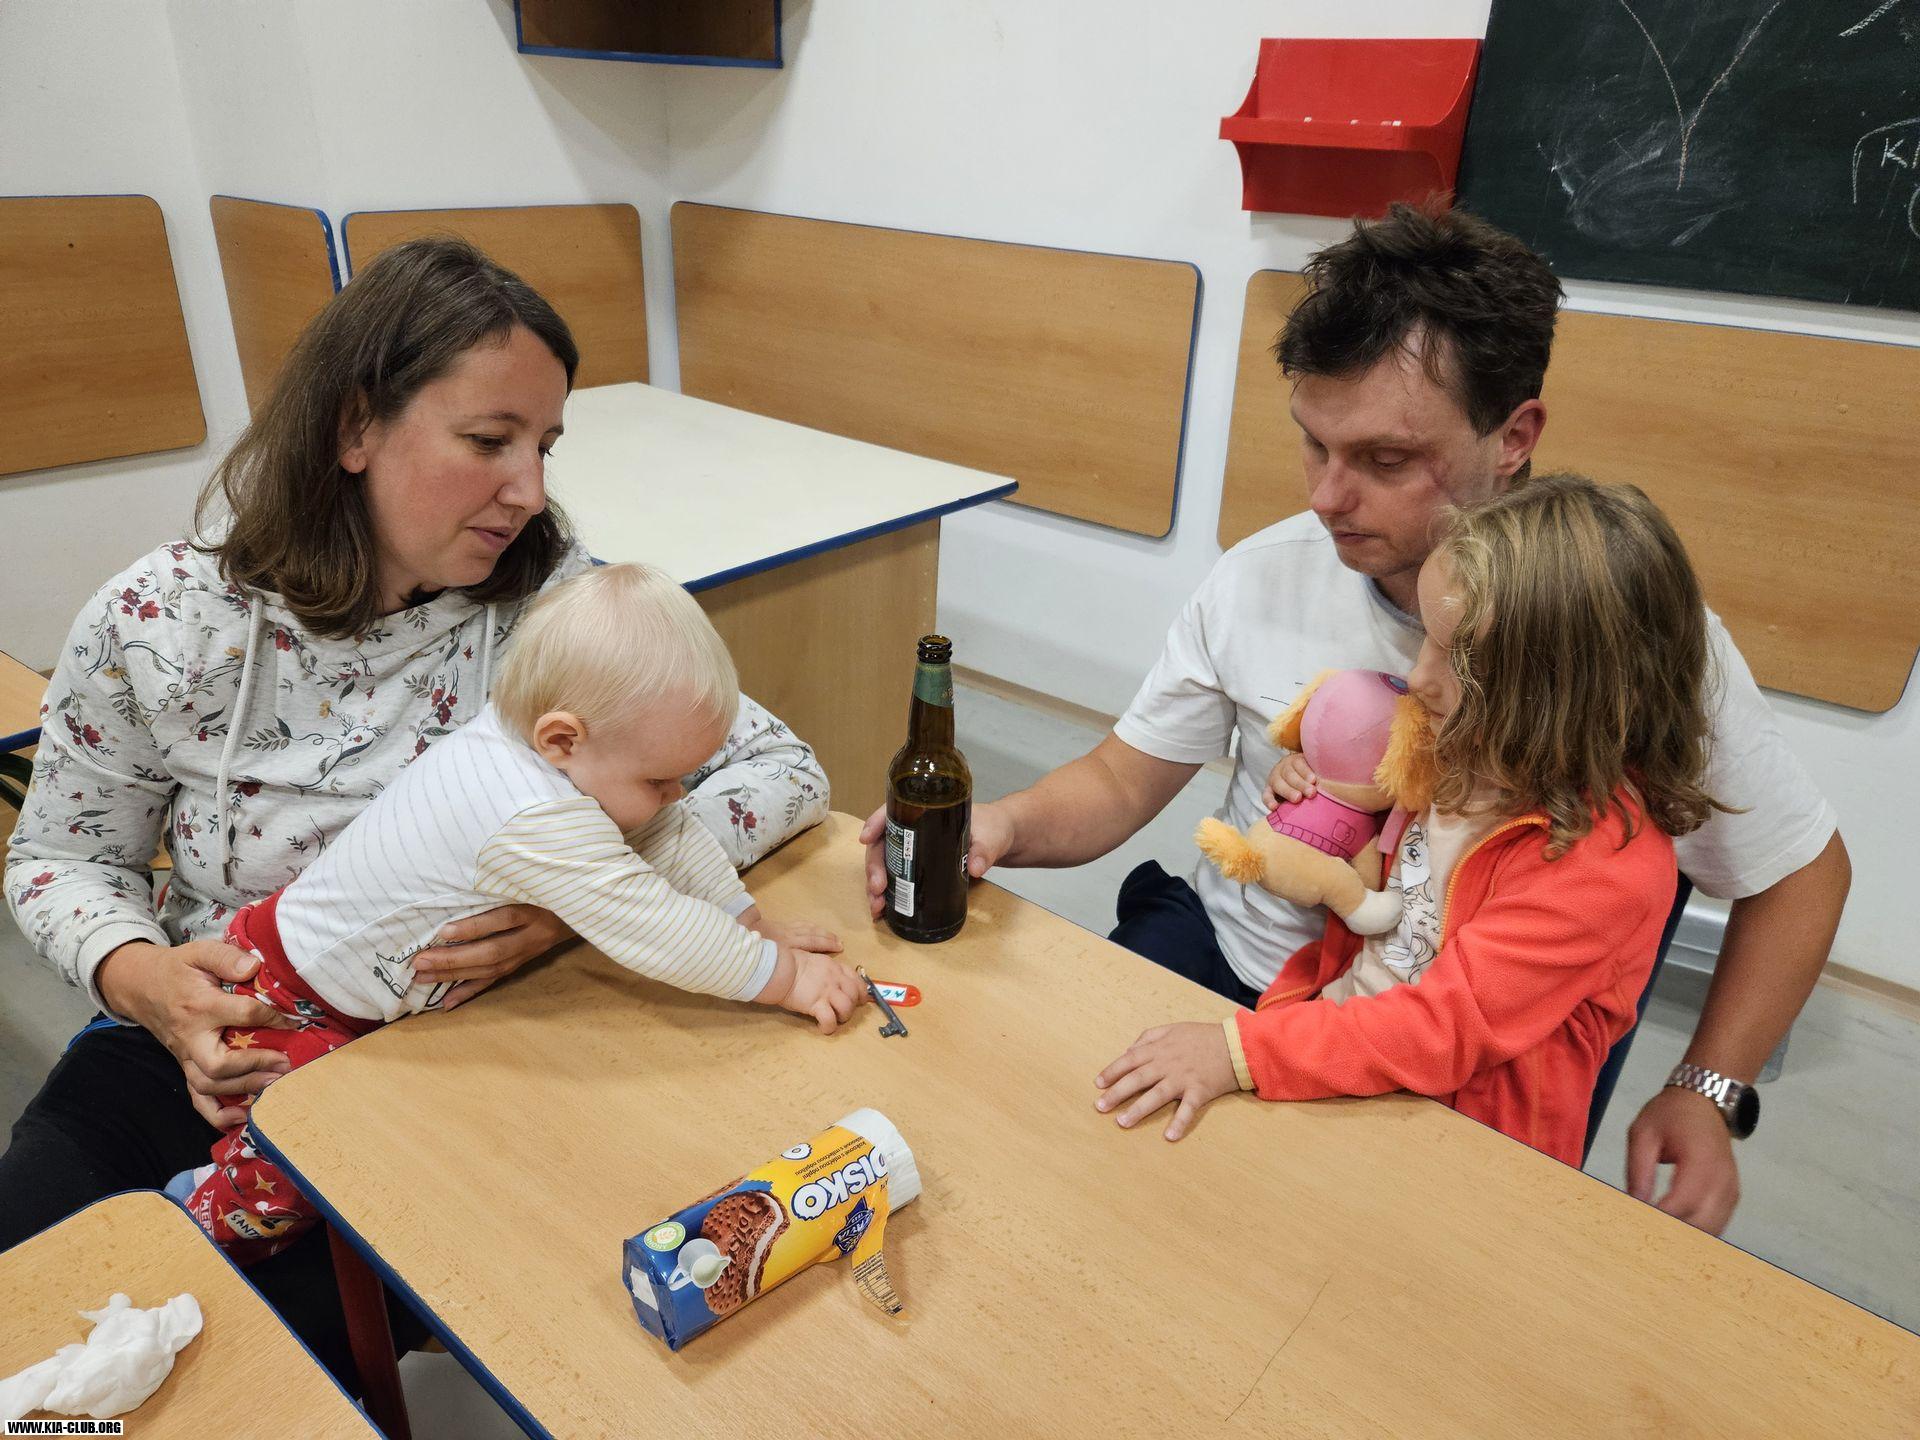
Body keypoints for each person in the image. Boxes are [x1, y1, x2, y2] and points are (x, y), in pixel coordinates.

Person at [864, 202, 1849, 1234]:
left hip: (1445, 1056)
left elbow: (1799, 873)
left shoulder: (1621, 640)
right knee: (1038, 1161)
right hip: (1253, 967)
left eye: (1385, 461)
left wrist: (1707, 1089)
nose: (1329, 498)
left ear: (1514, 436)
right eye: (1314, 444)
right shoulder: (1261, 575)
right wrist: (999, 826)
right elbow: (1120, 780)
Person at [3, 237, 829, 1388]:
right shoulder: (164, 619)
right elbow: (55, 855)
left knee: (245, 1379)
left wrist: (575, 901)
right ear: (355, 428)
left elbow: (780, 769)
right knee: (30, 1310)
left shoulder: (556, 609)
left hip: (444, 1068)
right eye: (490, 441)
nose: (530, 490)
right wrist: (145, 981)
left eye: (544, 447)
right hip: (194, 1045)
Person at [168, 562, 864, 1262]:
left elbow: (668, 835)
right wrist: (786, 979)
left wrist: (747, 925)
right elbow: (654, 926)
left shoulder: (540, 749)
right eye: (659, 778)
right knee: (310, 1157)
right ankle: (199, 1226)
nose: (677, 793)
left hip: (340, 988)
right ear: (562, 740)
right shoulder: (530, 812)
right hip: (287, 999)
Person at [1094, 475, 1718, 1163]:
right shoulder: (1464, 752)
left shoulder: (1606, 869)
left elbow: (1443, 1029)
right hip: (1340, 1050)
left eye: (1461, 660)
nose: (1419, 678)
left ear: (1565, 694)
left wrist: (1242, 1052)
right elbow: (1386, 856)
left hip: (1459, 1143)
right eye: (1428, 638)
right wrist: (1310, 787)